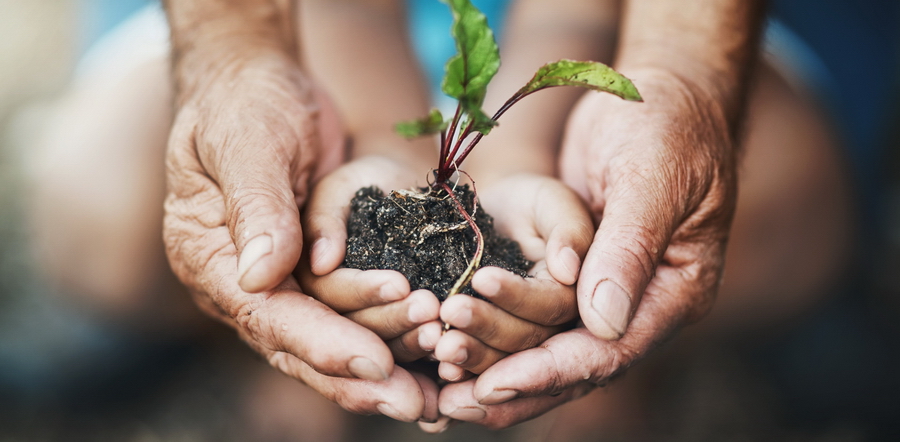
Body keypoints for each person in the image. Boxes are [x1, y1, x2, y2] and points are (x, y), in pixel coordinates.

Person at [26, 0, 855, 437]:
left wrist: (524, 152)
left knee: (781, 202)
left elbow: (579, 15)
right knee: (107, 204)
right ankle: (267, 344)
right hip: (300, 26)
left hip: (617, 24)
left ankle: (630, 371)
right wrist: (368, 134)